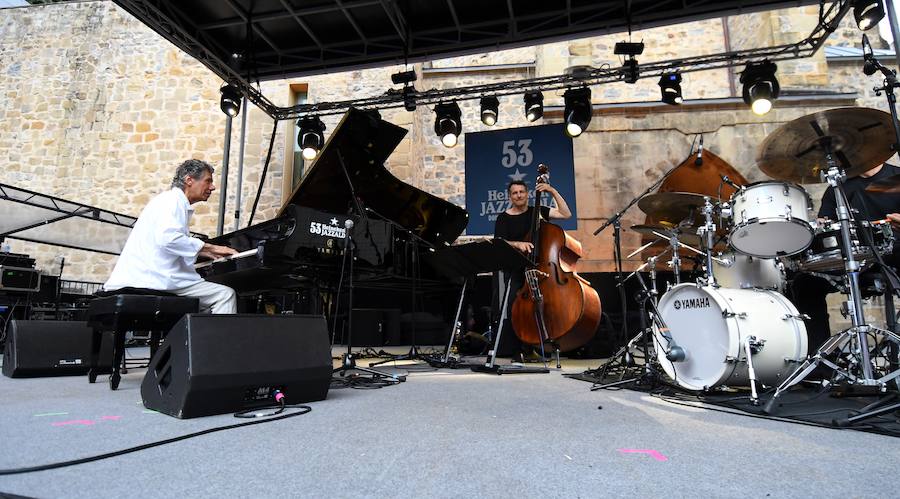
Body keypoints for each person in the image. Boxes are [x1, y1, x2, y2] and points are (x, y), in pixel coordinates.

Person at [788, 162, 900, 354]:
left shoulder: (896, 177)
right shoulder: (838, 186)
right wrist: (819, 224)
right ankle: (821, 363)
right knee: (803, 284)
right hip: (856, 260)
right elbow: (826, 224)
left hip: (893, 255)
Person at [104, 159, 239, 313]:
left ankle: (192, 336)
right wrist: (213, 247)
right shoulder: (173, 201)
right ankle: (214, 338)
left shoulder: (166, 200)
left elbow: (166, 241)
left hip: (143, 278)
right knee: (224, 295)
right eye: (208, 181)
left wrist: (202, 251)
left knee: (203, 305)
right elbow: (168, 239)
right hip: (153, 280)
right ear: (189, 180)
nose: (212, 187)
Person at [492, 179, 572, 359]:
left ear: (527, 194)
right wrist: (517, 244)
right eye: (515, 193)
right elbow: (499, 242)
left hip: (542, 267)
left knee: (544, 305)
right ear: (510, 196)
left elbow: (566, 214)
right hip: (516, 269)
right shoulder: (503, 218)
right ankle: (519, 349)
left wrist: (552, 190)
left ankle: (540, 345)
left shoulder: (538, 211)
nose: (519, 195)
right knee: (517, 308)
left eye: (522, 192)